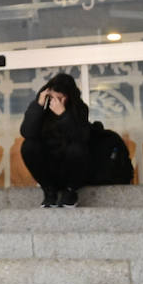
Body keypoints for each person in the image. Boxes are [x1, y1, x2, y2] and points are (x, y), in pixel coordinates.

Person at [19, 73, 91, 207]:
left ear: (68, 97)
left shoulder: (79, 109)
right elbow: (26, 132)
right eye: (52, 97)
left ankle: (70, 192)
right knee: (28, 145)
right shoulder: (41, 109)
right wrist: (38, 105)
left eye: (60, 98)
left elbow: (82, 137)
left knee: (77, 147)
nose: (55, 102)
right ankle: (49, 191)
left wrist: (63, 115)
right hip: (48, 168)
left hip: (70, 169)